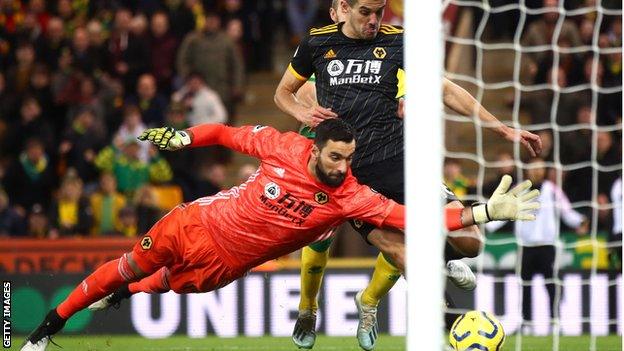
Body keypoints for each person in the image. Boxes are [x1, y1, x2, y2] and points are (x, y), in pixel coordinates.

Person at [21, 119, 538, 351]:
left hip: (224, 266)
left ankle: (126, 294)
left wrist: (483, 212)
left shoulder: (350, 194)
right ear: (315, 148)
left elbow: (416, 221)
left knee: (165, 285)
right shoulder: (283, 145)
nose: (342, 166)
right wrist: (187, 136)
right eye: (335, 156)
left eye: (348, 158)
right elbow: (224, 133)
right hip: (194, 223)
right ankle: (45, 330)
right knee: (129, 265)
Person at [274, 0, 543, 349]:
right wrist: (304, 115)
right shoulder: (317, 45)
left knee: (471, 242)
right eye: (365, 12)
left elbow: (441, 88)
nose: (374, 21)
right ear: (341, 9)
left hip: (403, 164)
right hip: (347, 178)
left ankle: (409, 278)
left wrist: (502, 130)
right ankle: (311, 307)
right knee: (346, 244)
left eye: (379, 12)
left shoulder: (397, 42)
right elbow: (286, 92)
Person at [486, 157, 588, 335]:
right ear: (527, 170)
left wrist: (581, 221)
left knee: (551, 285)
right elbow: (504, 212)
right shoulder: (519, 190)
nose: (536, 171)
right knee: (525, 286)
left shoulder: (552, 190)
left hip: (547, 246)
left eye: (540, 168)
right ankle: (527, 323)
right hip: (525, 246)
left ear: (544, 170)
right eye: (533, 167)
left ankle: (555, 321)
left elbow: (566, 211)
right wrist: (488, 225)